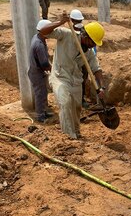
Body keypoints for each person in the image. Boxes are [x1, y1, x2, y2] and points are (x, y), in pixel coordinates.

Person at [39, 9, 106, 139]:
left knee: (76, 108)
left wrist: (101, 87)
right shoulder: (66, 35)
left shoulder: (89, 53)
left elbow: (96, 69)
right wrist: (60, 22)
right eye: (92, 42)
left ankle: (76, 133)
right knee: (65, 102)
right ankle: (68, 137)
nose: (93, 46)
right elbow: (43, 32)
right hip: (60, 77)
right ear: (86, 36)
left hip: (76, 81)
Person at [28, 19, 53, 123]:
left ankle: (43, 111)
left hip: (35, 71)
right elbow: (44, 64)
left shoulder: (37, 37)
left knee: (43, 93)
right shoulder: (39, 45)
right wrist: (53, 69)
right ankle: (40, 115)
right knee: (40, 94)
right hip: (37, 73)